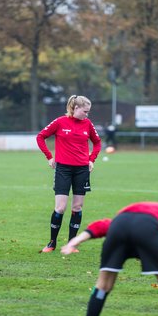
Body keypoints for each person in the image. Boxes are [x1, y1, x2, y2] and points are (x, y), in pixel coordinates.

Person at [61, 201, 158, 316]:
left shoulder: (130, 212)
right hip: (149, 228)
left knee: (103, 285)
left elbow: (102, 226)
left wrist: (76, 240)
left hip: (120, 225)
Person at [36, 95, 101, 253]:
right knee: (60, 207)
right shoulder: (60, 122)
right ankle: (52, 243)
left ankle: (71, 244)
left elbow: (97, 142)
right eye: (85, 111)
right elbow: (40, 137)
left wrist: (91, 159)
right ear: (75, 108)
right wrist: (49, 157)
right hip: (63, 169)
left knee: (77, 206)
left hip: (82, 170)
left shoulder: (88, 124)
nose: (87, 114)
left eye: (88, 112)